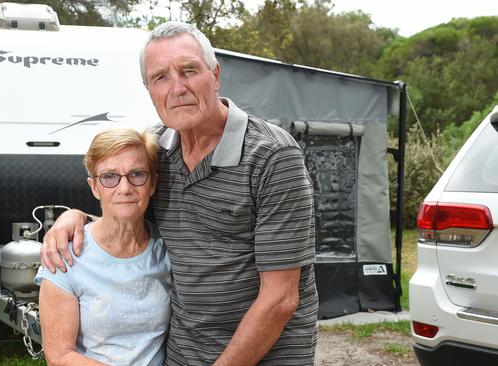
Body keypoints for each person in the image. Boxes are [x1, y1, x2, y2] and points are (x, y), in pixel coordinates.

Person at [41, 21, 318, 365]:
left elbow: (280, 298)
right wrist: (77, 217)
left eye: (189, 70)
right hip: (184, 356)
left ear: (215, 75)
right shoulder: (157, 151)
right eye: (161, 77)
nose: (177, 88)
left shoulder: (272, 157)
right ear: (149, 90)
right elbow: (127, 206)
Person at [35, 128, 171, 366]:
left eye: (137, 174)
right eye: (109, 177)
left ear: (152, 183)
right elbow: (59, 356)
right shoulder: (67, 256)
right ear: (94, 187)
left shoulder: (167, 248)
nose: (125, 188)